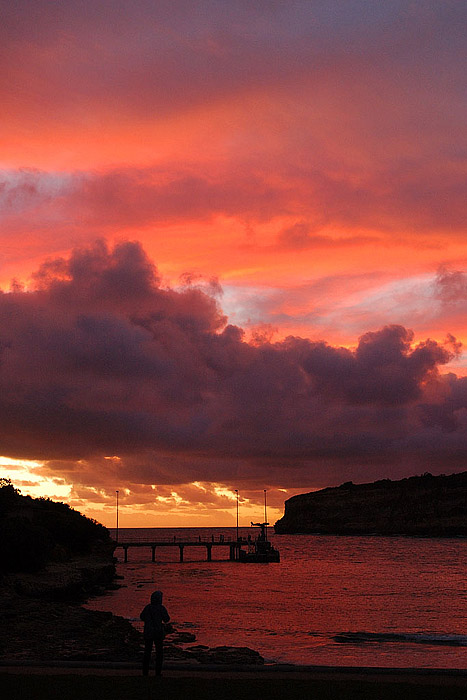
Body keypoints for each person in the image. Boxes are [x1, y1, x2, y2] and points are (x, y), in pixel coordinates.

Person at [140, 590, 170, 676]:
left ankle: (145, 673)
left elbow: (142, 617)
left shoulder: (148, 607)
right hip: (158, 632)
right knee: (159, 653)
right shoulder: (161, 608)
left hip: (148, 632)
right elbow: (167, 619)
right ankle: (158, 673)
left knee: (147, 652)